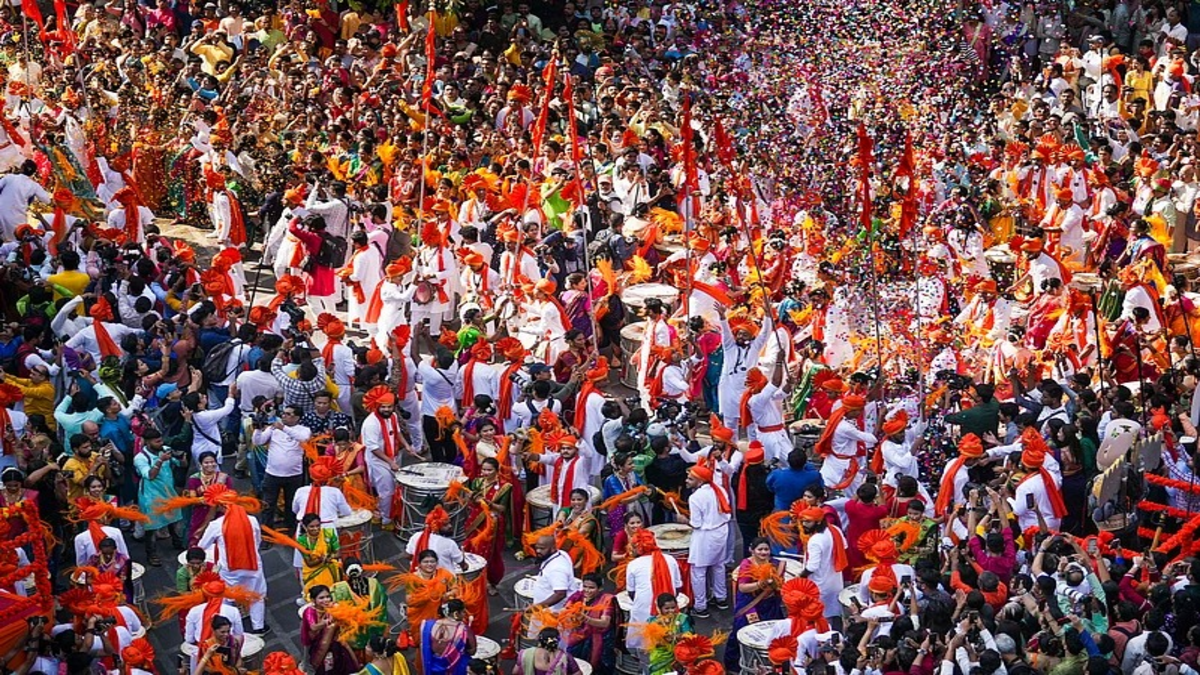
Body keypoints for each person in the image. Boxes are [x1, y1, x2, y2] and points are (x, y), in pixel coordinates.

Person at [685, 464, 731, 619]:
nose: (686, 481)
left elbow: (696, 523)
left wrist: (683, 519)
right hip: (721, 531)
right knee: (718, 566)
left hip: (705, 535)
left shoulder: (695, 497)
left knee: (698, 571)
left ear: (699, 481)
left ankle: (700, 606)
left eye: (690, 478)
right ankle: (721, 598)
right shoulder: (720, 490)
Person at [301, 584, 359, 675]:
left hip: (335, 641)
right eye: (321, 598)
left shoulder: (332, 607)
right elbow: (313, 627)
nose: (326, 600)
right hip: (318, 644)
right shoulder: (309, 611)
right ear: (313, 600)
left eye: (328, 597)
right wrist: (327, 621)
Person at [563, 573, 615, 672]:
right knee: (574, 664)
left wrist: (586, 619)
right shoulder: (577, 596)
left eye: (591, 588)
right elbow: (566, 610)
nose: (587, 590)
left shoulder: (607, 600)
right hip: (577, 636)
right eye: (585, 586)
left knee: (596, 667)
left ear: (599, 588)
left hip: (598, 640)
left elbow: (605, 623)